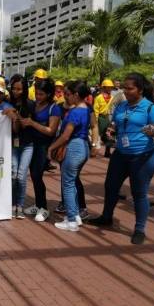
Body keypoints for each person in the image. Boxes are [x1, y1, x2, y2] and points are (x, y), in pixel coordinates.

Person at [89, 73, 154, 244]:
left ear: (140, 89)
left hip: (142, 157)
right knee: (110, 186)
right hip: (121, 154)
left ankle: (139, 229)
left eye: (130, 88)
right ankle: (106, 217)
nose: (126, 91)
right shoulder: (121, 105)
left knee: (139, 193)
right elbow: (117, 123)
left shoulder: (150, 108)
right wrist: (111, 129)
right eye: (124, 87)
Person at [48, 81, 91, 231]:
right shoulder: (86, 109)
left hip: (73, 147)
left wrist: (52, 147)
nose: (66, 97)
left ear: (76, 95)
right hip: (84, 146)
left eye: (68, 94)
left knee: (67, 184)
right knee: (71, 182)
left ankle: (71, 220)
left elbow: (66, 136)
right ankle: (75, 215)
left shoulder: (74, 112)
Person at [21, 78, 62, 222]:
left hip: (44, 146)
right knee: (33, 175)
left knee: (37, 175)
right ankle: (38, 205)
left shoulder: (54, 108)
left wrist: (32, 123)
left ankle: (43, 208)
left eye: (41, 94)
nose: (38, 97)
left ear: (49, 94)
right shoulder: (35, 105)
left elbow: (51, 130)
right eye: (37, 94)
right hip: (32, 144)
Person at [9, 75, 35, 219]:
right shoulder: (7, 103)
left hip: (27, 145)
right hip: (13, 144)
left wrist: (20, 119)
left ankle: (20, 204)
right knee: (13, 175)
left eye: (19, 89)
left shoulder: (30, 105)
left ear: (24, 90)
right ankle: (12, 204)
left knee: (21, 176)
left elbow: (30, 124)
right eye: (14, 88)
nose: (16, 91)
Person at [94, 79, 114, 157]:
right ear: (104, 88)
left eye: (110, 87)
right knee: (98, 134)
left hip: (107, 117)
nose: (109, 89)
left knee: (109, 134)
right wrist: (95, 120)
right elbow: (95, 109)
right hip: (100, 117)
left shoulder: (112, 97)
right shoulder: (98, 97)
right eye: (108, 87)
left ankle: (107, 152)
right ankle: (95, 149)